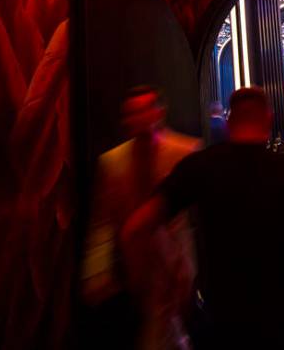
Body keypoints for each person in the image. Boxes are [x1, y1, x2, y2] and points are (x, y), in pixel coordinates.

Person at [121, 87, 284, 349]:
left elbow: (135, 228)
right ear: (269, 119)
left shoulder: (200, 167)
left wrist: (141, 288)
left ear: (229, 122)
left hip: (224, 322)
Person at [82, 88, 199, 349]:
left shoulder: (186, 151)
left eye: (145, 110)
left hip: (178, 266)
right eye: (133, 112)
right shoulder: (112, 162)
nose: (139, 118)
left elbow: (198, 217)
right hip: (135, 269)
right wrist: (97, 272)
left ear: (159, 112)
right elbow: (103, 222)